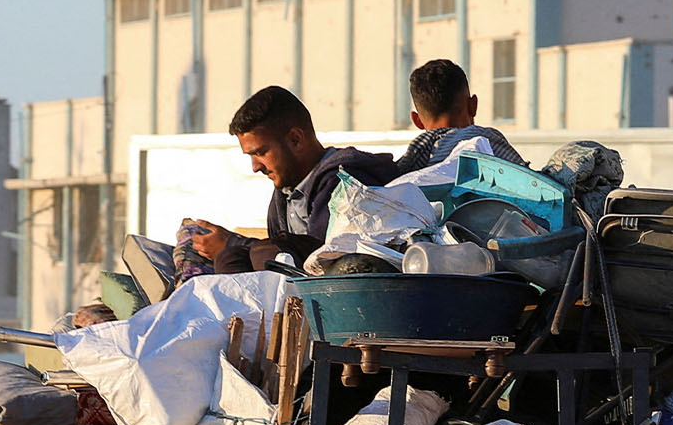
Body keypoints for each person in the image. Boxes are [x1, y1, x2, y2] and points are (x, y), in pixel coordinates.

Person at [190, 85, 399, 272]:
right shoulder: (284, 195)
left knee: (252, 256)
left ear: (295, 140)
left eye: (261, 153)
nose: (255, 167)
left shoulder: (346, 183)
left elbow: (324, 257)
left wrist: (234, 243)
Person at [394, 58, 526, 173]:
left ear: (417, 121)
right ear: (473, 105)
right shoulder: (483, 141)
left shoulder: (410, 162)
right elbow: (529, 183)